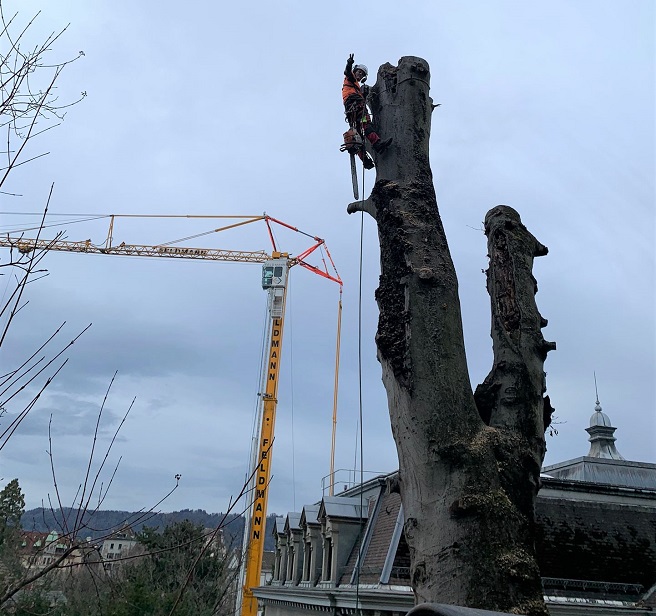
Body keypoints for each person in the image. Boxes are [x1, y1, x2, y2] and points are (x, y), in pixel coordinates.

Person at [342, 54, 392, 157]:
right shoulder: (350, 78)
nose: (360, 75)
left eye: (362, 74)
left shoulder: (356, 87)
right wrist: (349, 63)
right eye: (359, 72)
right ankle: (377, 144)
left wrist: (364, 95)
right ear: (355, 71)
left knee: (359, 131)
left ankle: (364, 158)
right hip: (356, 106)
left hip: (355, 110)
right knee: (365, 125)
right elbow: (347, 71)